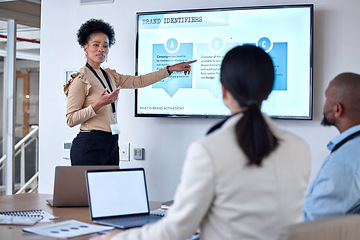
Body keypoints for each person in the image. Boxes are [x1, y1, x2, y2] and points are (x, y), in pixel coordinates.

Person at [90, 45, 311, 240]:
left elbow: (175, 231)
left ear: (223, 91)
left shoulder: (209, 150)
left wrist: (115, 238)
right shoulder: (300, 148)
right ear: (270, 89)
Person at [63, 19, 196, 165]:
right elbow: (71, 119)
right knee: (88, 188)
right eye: (96, 45)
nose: (101, 49)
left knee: (112, 188)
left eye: (105, 46)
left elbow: (139, 81)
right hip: (90, 144)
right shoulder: (81, 79)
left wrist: (169, 69)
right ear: (85, 47)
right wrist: (98, 104)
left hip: (111, 142)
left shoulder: (109, 75)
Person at [303, 72, 360, 221]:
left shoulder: (344, 163)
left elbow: (312, 224)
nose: (324, 103)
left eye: (327, 98)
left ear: (337, 109)